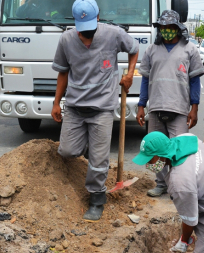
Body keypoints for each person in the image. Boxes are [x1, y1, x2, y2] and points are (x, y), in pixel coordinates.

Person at [51, 0, 139, 222]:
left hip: (102, 108)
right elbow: (63, 73)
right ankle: (90, 150)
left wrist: (129, 74)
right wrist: (56, 102)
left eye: (90, 27)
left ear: (97, 18)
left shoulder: (113, 34)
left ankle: (97, 199)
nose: (86, 34)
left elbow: (134, 49)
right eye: (82, 29)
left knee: (99, 160)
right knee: (68, 151)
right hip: (75, 107)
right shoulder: (66, 40)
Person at [136, 10, 204, 198]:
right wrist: (141, 105)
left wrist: (194, 107)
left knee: (179, 151)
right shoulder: (151, 50)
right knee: (156, 149)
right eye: (163, 27)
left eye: (170, 27)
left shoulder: (190, 49)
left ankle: (180, 185)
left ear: (178, 28)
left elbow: (194, 81)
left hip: (179, 107)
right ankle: (161, 183)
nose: (166, 30)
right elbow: (145, 80)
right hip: (156, 106)